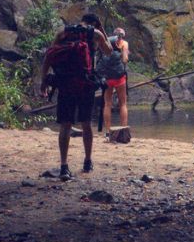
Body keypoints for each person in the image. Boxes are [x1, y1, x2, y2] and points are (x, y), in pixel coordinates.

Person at [40, 13, 112, 180]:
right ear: (94, 23)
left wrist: (44, 81)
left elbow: (49, 56)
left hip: (65, 84)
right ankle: (87, 161)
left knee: (65, 125)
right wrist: (102, 30)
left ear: (81, 21)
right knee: (86, 123)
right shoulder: (95, 34)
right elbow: (109, 51)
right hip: (85, 84)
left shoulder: (63, 32)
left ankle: (64, 166)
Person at [98, 27, 130, 134]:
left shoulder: (106, 44)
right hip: (119, 78)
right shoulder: (124, 43)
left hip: (107, 78)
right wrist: (125, 54)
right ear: (122, 36)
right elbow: (125, 60)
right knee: (123, 104)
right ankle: (123, 130)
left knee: (107, 104)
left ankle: (108, 131)